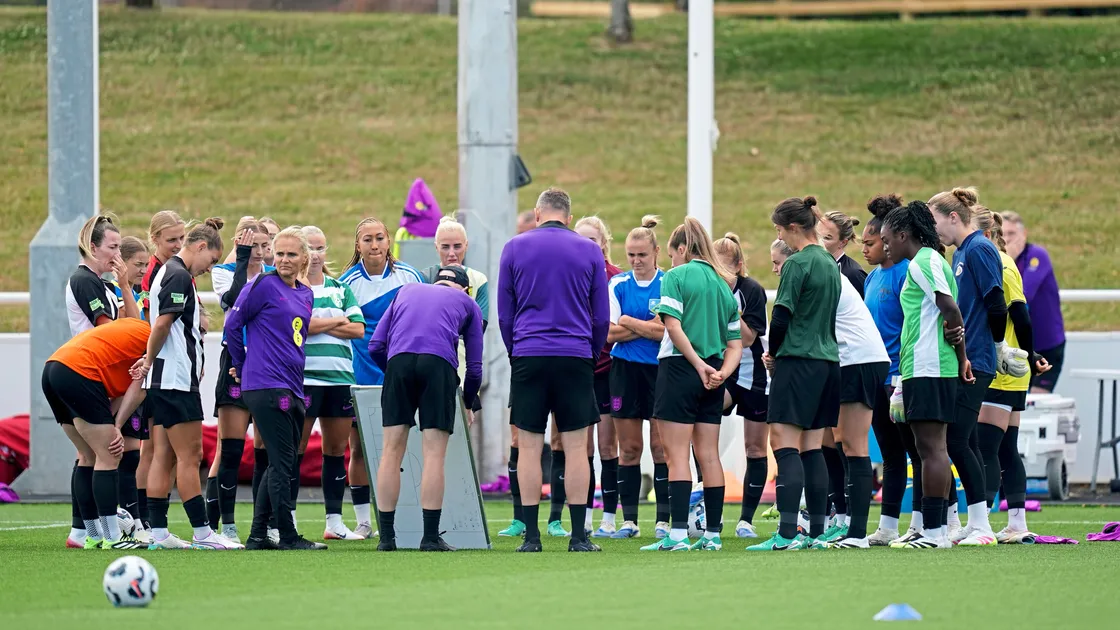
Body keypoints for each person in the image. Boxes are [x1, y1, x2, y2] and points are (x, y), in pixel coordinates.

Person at [497, 187, 609, 553]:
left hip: (529, 352)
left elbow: (504, 313)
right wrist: (589, 354)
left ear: (537, 213)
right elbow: (601, 316)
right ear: (569, 217)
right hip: (575, 354)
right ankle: (578, 536)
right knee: (577, 448)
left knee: (528, 447)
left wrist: (518, 352)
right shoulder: (590, 250)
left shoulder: (514, 247)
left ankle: (531, 537)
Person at [929, 187, 1027, 546]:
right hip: (968, 356)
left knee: (958, 440)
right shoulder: (962, 252)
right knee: (962, 439)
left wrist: (998, 346)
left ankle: (982, 524)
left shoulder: (981, 249)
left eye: (935, 220)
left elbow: (996, 303)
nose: (933, 228)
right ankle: (976, 522)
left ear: (954, 217)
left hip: (979, 359)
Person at [137, 218, 241, 550]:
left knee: (163, 455)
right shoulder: (180, 275)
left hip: (163, 380)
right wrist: (149, 358)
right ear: (199, 247)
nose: (209, 269)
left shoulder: (169, 272)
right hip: (175, 380)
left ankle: (159, 533)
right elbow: (164, 323)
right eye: (210, 261)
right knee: (190, 455)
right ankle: (202, 532)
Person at [639, 218, 741, 552]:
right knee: (708, 455)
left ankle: (679, 534)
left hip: (682, 369)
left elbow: (672, 326)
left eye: (672, 255)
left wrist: (697, 365)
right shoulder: (722, 284)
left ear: (682, 249)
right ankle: (712, 534)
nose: (671, 262)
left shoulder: (676, 277)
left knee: (677, 455)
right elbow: (736, 343)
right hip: (713, 374)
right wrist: (720, 373)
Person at [368, 266, 484, 552]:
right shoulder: (469, 304)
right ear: (466, 288)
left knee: (391, 452)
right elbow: (476, 369)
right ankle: (430, 537)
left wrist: (395, 375)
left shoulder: (406, 291)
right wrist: (468, 402)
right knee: (434, 454)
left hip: (399, 362)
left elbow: (375, 345)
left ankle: (386, 539)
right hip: (439, 366)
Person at [879, 201, 974, 549]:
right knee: (927, 449)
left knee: (932, 449)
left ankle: (935, 533)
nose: (885, 245)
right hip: (924, 366)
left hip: (929, 367)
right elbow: (946, 314)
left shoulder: (924, 261)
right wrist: (959, 353)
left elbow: (950, 308)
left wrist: (961, 354)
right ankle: (931, 530)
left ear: (905, 235)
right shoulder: (926, 261)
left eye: (888, 239)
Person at [748, 196, 839, 552]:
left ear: (794, 228)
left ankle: (786, 534)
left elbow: (782, 316)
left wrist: (774, 352)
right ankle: (818, 532)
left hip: (799, 360)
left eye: (779, 228)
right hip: (828, 363)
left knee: (783, 444)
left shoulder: (798, 263)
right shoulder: (830, 262)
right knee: (813, 448)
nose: (778, 234)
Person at [225, 227, 325, 551]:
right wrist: (241, 368)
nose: (283, 259)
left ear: (304, 259)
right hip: (267, 384)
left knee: (278, 463)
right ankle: (287, 534)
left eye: (291, 254)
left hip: (293, 383)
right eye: (279, 253)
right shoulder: (262, 285)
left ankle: (257, 535)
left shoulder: (305, 294)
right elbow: (232, 325)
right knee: (283, 463)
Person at [340, 217, 425, 539]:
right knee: (359, 448)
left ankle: (408, 514)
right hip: (361, 374)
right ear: (357, 245)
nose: (374, 245)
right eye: (367, 239)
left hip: (400, 373)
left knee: (405, 447)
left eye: (379, 238)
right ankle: (364, 520)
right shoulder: (346, 283)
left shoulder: (409, 276)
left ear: (389, 241)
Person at [971, 207, 1050, 543]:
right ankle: (1016, 523)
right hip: (1011, 369)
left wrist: (1028, 355)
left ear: (986, 234)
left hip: (1003, 370)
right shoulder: (998, 261)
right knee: (1005, 448)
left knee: (986, 446)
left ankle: (982, 524)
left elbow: (1019, 311)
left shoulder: (999, 264)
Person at [44, 318, 152, 550]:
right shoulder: (160, 339)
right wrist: (117, 427)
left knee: (87, 455)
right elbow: (140, 387)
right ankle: (112, 539)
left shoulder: (137, 330)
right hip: (78, 372)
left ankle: (90, 535)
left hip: (54, 368)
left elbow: (117, 394)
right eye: (200, 330)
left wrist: (112, 423)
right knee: (109, 455)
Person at [207, 219, 275, 543]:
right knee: (231, 449)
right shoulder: (224, 271)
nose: (260, 252)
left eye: (265, 245)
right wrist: (243, 260)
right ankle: (227, 527)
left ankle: (263, 527)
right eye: (254, 245)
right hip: (235, 358)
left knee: (266, 450)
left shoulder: (275, 277)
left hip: (266, 365)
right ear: (240, 242)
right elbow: (233, 301)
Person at [299, 226, 367, 541]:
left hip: (340, 378)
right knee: (295, 449)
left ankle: (335, 522)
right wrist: (337, 320)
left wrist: (322, 324)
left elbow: (358, 330)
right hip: (305, 378)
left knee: (336, 450)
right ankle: (289, 518)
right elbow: (300, 326)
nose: (315, 254)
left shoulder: (340, 288)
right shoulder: (293, 289)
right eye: (310, 248)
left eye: (320, 248)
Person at [63, 214, 124, 549]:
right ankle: (104, 533)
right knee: (105, 453)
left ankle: (83, 531)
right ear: (93, 246)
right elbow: (106, 328)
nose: (117, 253)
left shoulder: (104, 283)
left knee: (88, 454)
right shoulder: (85, 279)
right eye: (112, 246)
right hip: (88, 370)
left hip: (88, 370)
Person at [607, 216, 669, 539]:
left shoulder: (668, 282)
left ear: (656, 252)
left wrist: (629, 321)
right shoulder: (617, 284)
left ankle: (662, 521)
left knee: (661, 447)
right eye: (631, 255)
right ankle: (629, 521)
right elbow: (609, 334)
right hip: (625, 372)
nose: (636, 261)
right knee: (629, 448)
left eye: (642, 254)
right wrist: (644, 325)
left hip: (660, 370)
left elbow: (665, 332)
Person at [860, 194, 915, 546]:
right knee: (891, 455)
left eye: (870, 243)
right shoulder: (870, 280)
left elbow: (912, 324)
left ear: (887, 240)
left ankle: (931, 523)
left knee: (917, 452)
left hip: (900, 376)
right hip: (876, 376)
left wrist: (903, 376)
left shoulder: (905, 273)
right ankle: (889, 526)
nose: (865, 250)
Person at [711, 233, 770, 539]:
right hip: (724, 371)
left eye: (725, 271)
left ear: (738, 266)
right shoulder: (710, 288)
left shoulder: (752, 291)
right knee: (703, 429)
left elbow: (748, 339)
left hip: (754, 375)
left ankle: (746, 519)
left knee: (755, 447)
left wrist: (729, 307)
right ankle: (710, 514)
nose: (719, 277)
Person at [135, 210, 187, 533]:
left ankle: (150, 521)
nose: (178, 245)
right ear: (154, 239)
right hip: (155, 367)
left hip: (160, 365)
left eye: (182, 238)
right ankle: (145, 519)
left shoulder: (170, 269)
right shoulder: (158, 273)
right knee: (154, 448)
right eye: (172, 240)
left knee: (158, 448)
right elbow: (155, 322)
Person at [574, 216, 623, 538]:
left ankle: (609, 516)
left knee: (608, 446)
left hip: (608, 370)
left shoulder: (616, 278)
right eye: (580, 240)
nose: (586, 246)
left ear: (603, 244)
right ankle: (584, 518)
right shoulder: (569, 274)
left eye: (591, 241)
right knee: (582, 448)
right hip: (578, 369)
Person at [499, 211, 537, 538]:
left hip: (545, 354)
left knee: (570, 441)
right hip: (524, 357)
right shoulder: (513, 254)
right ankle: (521, 518)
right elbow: (504, 312)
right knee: (520, 438)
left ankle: (556, 520)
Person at [111, 236, 151, 530]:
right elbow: (130, 329)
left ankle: (135, 518)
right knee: (115, 451)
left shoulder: (137, 292)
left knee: (132, 452)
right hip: (117, 382)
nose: (143, 270)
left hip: (135, 380)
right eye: (138, 265)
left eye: (146, 265)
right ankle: (101, 521)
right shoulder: (114, 292)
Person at [1001, 212, 1066, 393]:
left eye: (1012, 234)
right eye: (1002, 233)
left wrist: (1009, 259)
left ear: (1024, 234)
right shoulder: (998, 260)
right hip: (1019, 345)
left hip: (1047, 344)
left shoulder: (1037, 256)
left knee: (1037, 402)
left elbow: (1022, 295)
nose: (1006, 239)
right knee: (1017, 402)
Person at [820, 211, 868, 299]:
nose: (819, 242)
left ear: (843, 243)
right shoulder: (813, 267)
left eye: (827, 238)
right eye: (817, 235)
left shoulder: (853, 274)